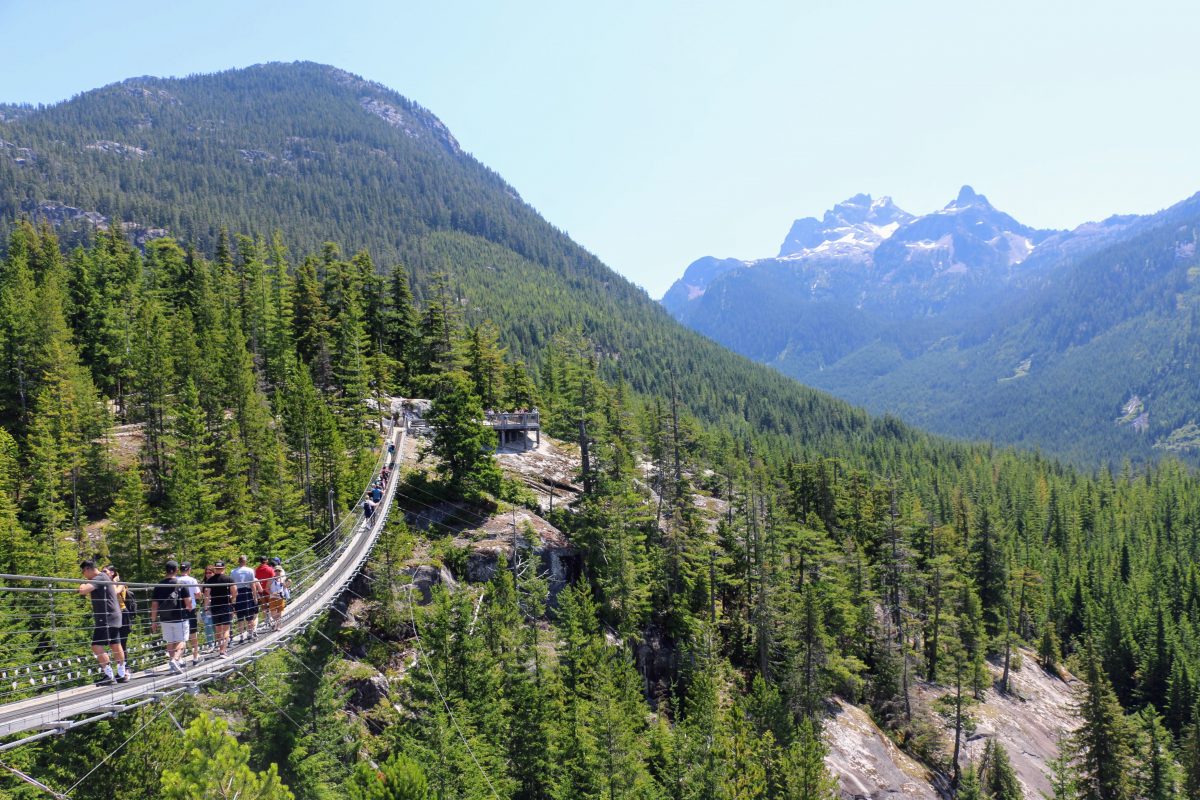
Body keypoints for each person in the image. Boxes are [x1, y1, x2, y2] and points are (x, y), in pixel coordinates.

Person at [78, 560, 126, 685]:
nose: (84, 575)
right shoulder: (104, 576)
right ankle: (121, 673)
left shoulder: (99, 578)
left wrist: (83, 585)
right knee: (115, 644)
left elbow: (83, 591)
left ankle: (108, 674)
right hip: (114, 615)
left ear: (88, 569)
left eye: (83, 572)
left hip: (106, 617)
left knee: (96, 645)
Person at [150, 560, 193, 673]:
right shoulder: (181, 584)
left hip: (165, 618)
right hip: (180, 617)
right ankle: (175, 660)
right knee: (182, 640)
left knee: (170, 641)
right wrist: (189, 607)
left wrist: (153, 621)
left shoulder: (158, 585)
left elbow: (154, 605)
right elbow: (188, 603)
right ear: (176, 570)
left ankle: (173, 664)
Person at [102, 565, 136, 664]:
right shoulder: (105, 584)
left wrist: (114, 581)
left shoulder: (120, 583)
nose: (102, 573)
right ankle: (119, 669)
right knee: (114, 643)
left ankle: (126, 669)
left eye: (105, 571)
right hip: (112, 615)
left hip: (122, 614)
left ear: (112, 573)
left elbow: (115, 592)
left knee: (122, 643)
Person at [203, 561, 236, 658]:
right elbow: (235, 592)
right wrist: (231, 599)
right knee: (226, 629)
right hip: (226, 605)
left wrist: (206, 607)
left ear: (215, 569)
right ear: (224, 568)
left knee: (218, 630)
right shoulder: (228, 579)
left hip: (215, 606)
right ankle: (223, 651)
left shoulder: (210, 581)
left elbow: (207, 595)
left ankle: (220, 648)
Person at [176, 562, 202, 664]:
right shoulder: (192, 580)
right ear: (189, 569)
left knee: (181, 636)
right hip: (191, 609)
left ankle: (180, 659)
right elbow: (198, 595)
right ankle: (195, 657)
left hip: (179, 610)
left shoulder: (176, 580)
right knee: (193, 634)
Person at [230, 555, 259, 643]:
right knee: (249, 616)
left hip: (238, 594)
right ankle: (250, 633)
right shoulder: (250, 571)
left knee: (240, 617)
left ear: (238, 561)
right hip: (247, 593)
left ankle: (241, 636)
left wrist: (233, 598)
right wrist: (255, 597)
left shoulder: (233, 572)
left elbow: (232, 585)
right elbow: (253, 585)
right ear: (245, 561)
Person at [267, 557, 289, 629]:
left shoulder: (282, 579)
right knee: (273, 614)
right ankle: (277, 623)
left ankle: (278, 626)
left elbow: (285, 587)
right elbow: (266, 589)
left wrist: (287, 584)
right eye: (276, 571)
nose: (277, 572)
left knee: (279, 613)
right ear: (274, 571)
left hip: (280, 598)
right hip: (273, 598)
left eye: (279, 571)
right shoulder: (271, 579)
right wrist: (272, 593)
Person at [255, 556, 275, 630]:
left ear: (260, 561)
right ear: (266, 561)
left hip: (261, 591)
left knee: (264, 607)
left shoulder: (256, 570)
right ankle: (272, 621)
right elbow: (274, 578)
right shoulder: (270, 569)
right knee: (271, 605)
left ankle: (266, 621)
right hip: (269, 590)